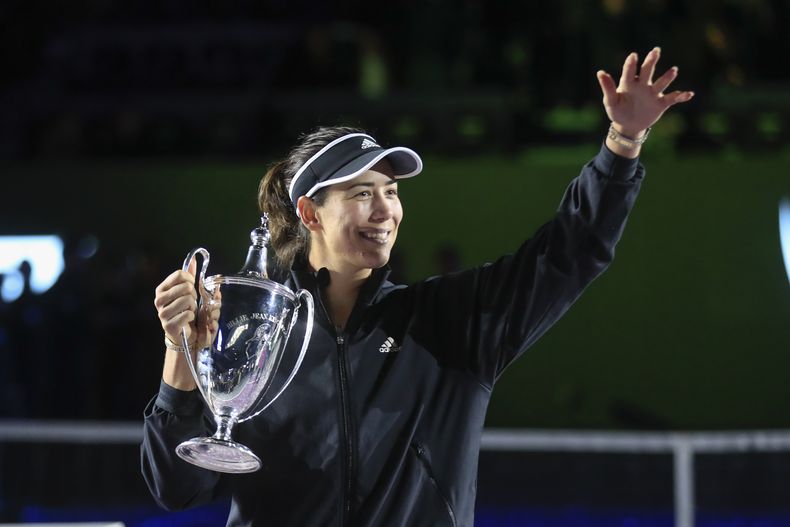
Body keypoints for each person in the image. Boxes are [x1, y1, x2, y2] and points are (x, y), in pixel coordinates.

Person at [142, 47, 693, 526]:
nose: (386, 210)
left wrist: (623, 142)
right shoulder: (253, 335)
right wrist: (179, 353)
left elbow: (571, 254)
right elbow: (178, 489)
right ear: (310, 213)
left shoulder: (451, 323)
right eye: (362, 193)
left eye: (392, 191)